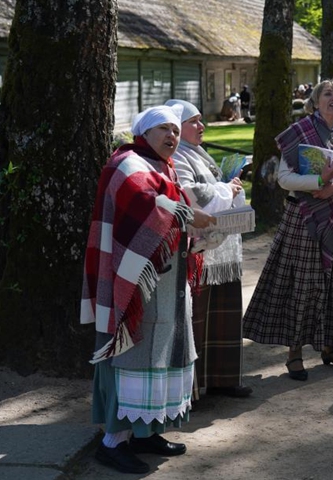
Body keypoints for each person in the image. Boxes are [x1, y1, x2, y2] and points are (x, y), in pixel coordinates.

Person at [81, 105, 216, 474]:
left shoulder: (162, 166)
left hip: (164, 283)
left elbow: (168, 206)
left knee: (161, 354)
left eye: (176, 130)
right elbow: (143, 203)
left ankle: (146, 432)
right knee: (133, 355)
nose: (172, 136)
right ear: (144, 133)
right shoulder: (126, 163)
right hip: (132, 287)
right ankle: (113, 442)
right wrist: (188, 215)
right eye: (164, 130)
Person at [242, 78, 333, 381]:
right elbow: (284, 178)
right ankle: (294, 353)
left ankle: (331, 347)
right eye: (327, 93)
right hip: (303, 218)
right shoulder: (299, 132)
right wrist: (317, 184)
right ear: (315, 99)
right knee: (303, 285)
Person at [165, 99, 253, 399]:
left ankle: (223, 379)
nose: (201, 126)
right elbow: (192, 195)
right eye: (194, 121)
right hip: (200, 248)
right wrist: (227, 189)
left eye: (201, 120)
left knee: (223, 315)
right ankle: (194, 389)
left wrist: (229, 185)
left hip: (221, 246)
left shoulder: (196, 152)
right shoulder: (176, 156)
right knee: (199, 318)